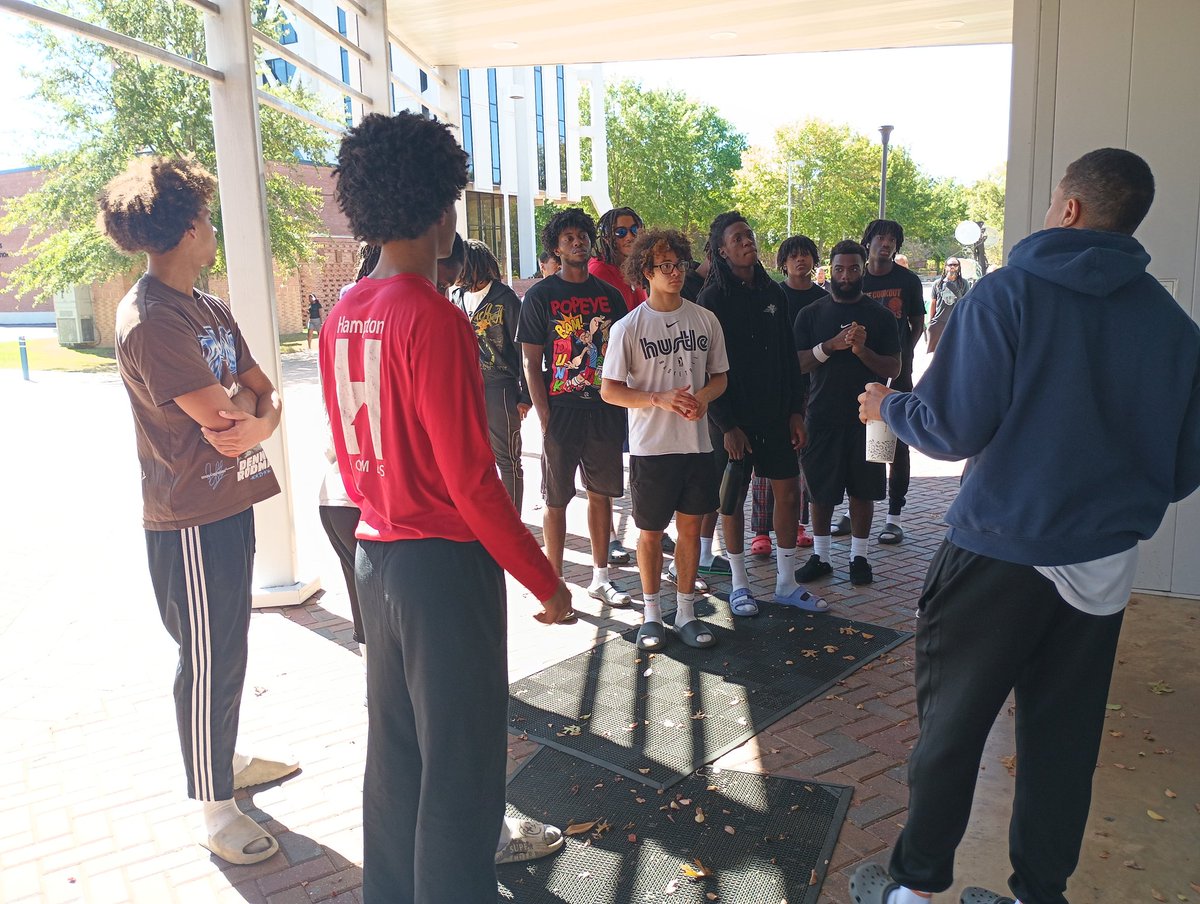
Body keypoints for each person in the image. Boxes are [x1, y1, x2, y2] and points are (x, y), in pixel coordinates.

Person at [851, 148, 1200, 904]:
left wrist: (889, 408)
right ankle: (1039, 893)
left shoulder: (1009, 295)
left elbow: (950, 428)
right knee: (1064, 743)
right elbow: (1182, 465)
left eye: (1050, 200)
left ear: (1070, 208)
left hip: (996, 553)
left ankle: (913, 888)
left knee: (951, 729)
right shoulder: (1172, 325)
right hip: (1103, 567)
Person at [322, 112, 573, 904]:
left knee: (395, 762)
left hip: (376, 554)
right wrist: (545, 580)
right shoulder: (432, 316)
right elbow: (473, 482)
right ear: (437, 206)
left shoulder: (342, 310)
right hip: (441, 563)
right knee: (463, 773)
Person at [101, 155, 297, 866]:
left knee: (229, 646)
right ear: (187, 228)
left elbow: (264, 394)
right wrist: (250, 411)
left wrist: (258, 416)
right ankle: (215, 808)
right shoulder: (150, 318)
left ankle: (225, 760)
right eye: (207, 219)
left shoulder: (207, 309)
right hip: (187, 516)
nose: (213, 230)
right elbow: (224, 414)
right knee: (208, 656)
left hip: (231, 500)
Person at [601, 229, 729, 650]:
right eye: (664, 266)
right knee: (651, 533)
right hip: (651, 448)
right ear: (645, 271)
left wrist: (704, 400)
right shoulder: (628, 327)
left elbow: (719, 378)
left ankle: (688, 611)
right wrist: (656, 397)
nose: (675, 273)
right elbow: (610, 390)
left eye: (680, 264)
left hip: (696, 445)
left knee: (691, 532)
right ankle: (652, 615)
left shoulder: (705, 319)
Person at [697, 211, 828, 615]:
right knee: (731, 500)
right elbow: (706, 368)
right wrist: (727, 424)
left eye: (749, 235)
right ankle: (740, 585)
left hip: (776, 414)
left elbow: (790, 358)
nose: (747, 241)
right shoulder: (711, 298)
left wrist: (795, 411)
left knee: (788, 493)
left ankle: (787, 584)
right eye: (737, 238)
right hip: (732, 420)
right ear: (722, 249)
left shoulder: (774, 293)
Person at [517, 208, 634, 608]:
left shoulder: (611, 296)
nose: (577, 242)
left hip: (604, 408)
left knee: (601, 494)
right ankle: (554, 581)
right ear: (555, 247)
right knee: (556, 499)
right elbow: (532, 362)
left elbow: (625, 352)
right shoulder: (540, 296)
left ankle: (600, 577)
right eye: (568, 238)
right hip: (561, 409)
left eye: (582, 235)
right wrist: (545, 415)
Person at [794, 240, 901, 587]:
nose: (846, 275)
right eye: (839, 268)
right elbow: (797, 364)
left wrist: (860, 350)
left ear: (862, 269)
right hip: (821, 415)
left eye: (853, 268)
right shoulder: (811, 313)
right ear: (830, 269)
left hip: (873, 419)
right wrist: (830, 346)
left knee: (865, 490)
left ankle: (860, 557)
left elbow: (894, 368)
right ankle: (821, 557)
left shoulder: (882, 316)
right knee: (820, 491)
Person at [750, 235, 827, 558]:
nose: (801, 261)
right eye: (794, 256)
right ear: (783, 262)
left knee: (801, 457)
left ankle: (796, 523)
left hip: (811, 387)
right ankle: (761, 530)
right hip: (773, 388)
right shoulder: (772, 295)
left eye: (806, 255)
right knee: (765, 462)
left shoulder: (824, 298)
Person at [857, 219, 925, 545]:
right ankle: (858, 506)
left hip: (897, 373)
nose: (886, 243)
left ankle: (894, 516)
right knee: (863, 440)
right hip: (858, 371)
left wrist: (901, 357)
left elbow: (917, 323)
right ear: (868, 241)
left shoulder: (908, 281)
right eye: (881, 238)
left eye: (892, 240)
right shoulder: (856, 277)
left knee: (894, 442)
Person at [452, 239, 532, 510]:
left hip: (500, 388)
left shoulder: (505, 298)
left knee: (508, 459)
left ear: (475, 263)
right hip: (465, 390)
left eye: (462, 262)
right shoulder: (455, 297)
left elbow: (523, 349)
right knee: (471, 459)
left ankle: (513, 522)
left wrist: (526, 395)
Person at [589, 206, 649, 563]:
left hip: (637, 377)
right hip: (609, 380)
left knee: (641, 456)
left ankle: (648, 527)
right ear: (607, 237)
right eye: (620, 231)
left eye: (633, 229)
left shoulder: (637, 273)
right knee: (608, 460)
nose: (628, 236)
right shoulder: (601, 273)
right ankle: (611, 536)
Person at [926, 257, 970, 354]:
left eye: (955, 265)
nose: (952, 267)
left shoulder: (964, 283)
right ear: (945, 267)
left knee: (955, 351)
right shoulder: (937, 284)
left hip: (956, 321)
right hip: (940, 321)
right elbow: (933, 303)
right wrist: (931, 321)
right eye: (950, 265)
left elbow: (966, 303)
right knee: (937, 352)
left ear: (959, 267)